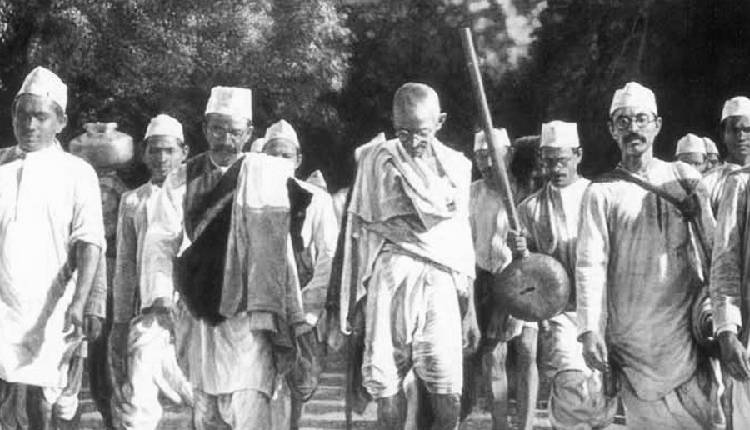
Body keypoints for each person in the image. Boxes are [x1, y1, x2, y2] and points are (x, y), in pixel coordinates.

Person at [141, 86, 307, 429]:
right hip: (202, 308)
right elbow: (161, 239)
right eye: (217, 129)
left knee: (250, 404)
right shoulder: (183, 177)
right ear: (205, 129)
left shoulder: (267, 173)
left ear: (248, 133)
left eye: (234, 131)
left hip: (251, 310)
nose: (225, 139)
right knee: (207, 410)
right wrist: (159, 292)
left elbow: (296, 226)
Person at [338, 83, 479, 430]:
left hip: (440, 280)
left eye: (421, 133)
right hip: (390, 276)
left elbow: (461, 242)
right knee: (386, 382)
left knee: (446, 385)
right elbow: (361, 232)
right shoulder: (378, 159)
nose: (413, 142)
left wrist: (470, 310)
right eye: (403, 132)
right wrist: (355, 299)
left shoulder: (457, 167)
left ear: (440, 122)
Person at [576, 82, 715, 429]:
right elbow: (590, 265)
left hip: (684, 333)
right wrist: (590, 329)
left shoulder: (683, 178)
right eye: (623, 121)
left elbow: (715, 249)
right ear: (612, 129)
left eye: (641, 119)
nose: (633, 129)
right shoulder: (600, 192)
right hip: (631, 341)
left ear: (657, 125)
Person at [0, 66, 106, 428]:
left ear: (61, 122)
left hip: (50, 306)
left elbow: (89, 241)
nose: (30, 125)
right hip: (2, 304)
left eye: (40, 117)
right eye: (23, 115)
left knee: (40, 401)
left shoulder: (77, 172)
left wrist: (81, 302)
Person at [514, 121, 617, 430]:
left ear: (578, 155)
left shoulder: (600, 196)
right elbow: (526, 273)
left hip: (603, 310)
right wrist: (519, 251)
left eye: (562, 160)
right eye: (549, 161)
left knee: (601, 392)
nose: (556, 168)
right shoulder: (529, 209)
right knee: (571, 385)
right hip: (561, 313)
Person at [109, 114, 191, 430]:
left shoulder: (197, 194)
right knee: (138, 394)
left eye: (169, 150)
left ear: (184, 152)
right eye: (155, 150)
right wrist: (119, 322)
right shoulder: (132, 201)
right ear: (144, 154)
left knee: (200, 392)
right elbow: (126, 265)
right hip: (149, 314)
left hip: (192, 312)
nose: (162, 157)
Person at [261, 119, 338, 430]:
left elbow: (328, 256)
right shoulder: (249, 196)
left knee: (298, 383)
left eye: (286, 155)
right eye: (272, 154)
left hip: (302, 306)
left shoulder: (317, 199)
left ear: (298, 159)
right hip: (261, 304)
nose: (279, 161)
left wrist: (308, 311)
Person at [467, 128, 537, 430]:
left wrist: (526, 244)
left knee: (527, 351)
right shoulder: (471, 193)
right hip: (487, 281)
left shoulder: (528, 191)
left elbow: (541, 236)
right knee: (493, 357)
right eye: (480, 156)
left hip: (525, 278)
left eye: (491, 155)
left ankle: (526, 425)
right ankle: (499, 425)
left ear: (508, 155)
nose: (486, 163)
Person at [702, 96, 750, 213]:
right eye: (734, 130)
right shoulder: (709, 183)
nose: (741, 137)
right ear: (723, 134)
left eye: (747, 130)